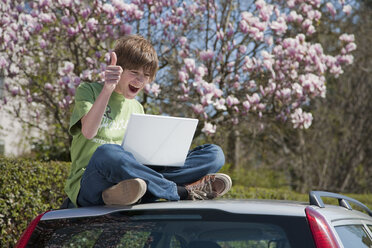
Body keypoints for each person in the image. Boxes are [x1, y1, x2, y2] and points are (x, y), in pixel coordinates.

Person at [64, 34, 232, 207]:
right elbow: (89, 132)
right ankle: (180, 191)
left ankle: (129, 192)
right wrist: (107, 89)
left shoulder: (137, 108)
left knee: (214, 155)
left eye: (146, 75)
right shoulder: (88, 90)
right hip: (91, 181)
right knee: (107, 153)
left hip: (133, 179)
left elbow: (139, 157)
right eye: (134, 72)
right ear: (118, 69)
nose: (140, 80)